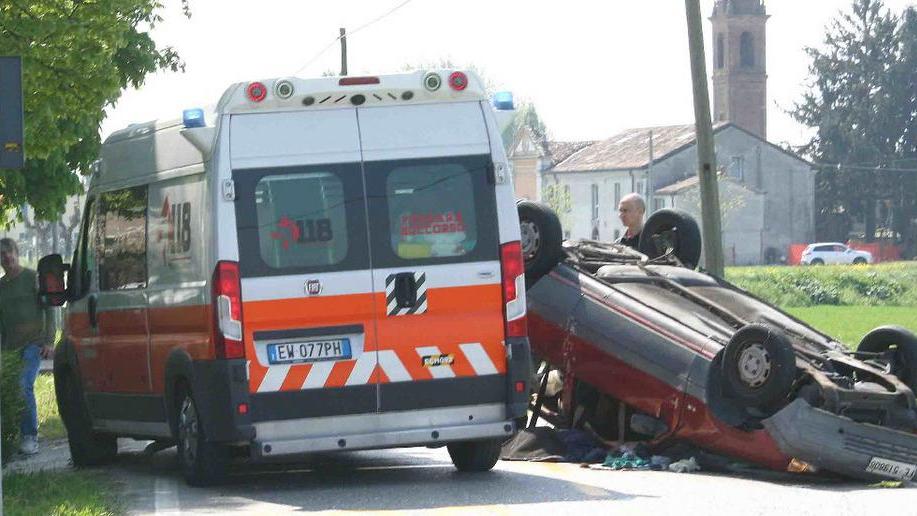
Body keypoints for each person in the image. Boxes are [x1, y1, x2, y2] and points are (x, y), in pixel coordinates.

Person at [0, 238, 50, 455]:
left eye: (9, 252)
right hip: (9, 348)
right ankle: (10, 436)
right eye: (2, 254)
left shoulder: (32, 278)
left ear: (16, 253)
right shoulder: (1, 286)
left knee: (23, 385)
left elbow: (49, 307)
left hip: (33, 344)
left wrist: (49, 340)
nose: (6, 257)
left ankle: (30, 437)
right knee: (10, 390)